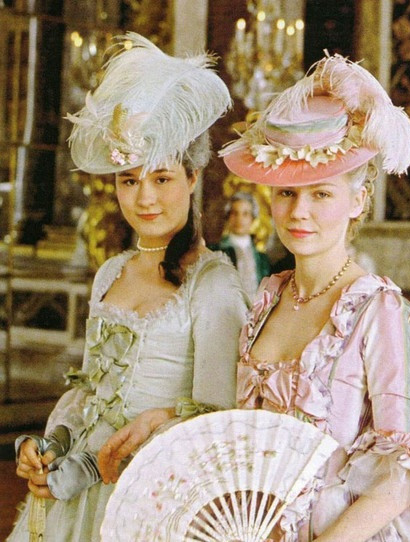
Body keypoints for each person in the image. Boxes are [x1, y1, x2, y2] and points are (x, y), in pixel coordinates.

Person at [219, 54, 410, 541]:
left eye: (321, 194)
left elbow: (399, 480)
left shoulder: (377, 309)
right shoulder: (269, 295)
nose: (299, 211)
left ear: (357, 200)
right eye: (287, 193)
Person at [10, 33, 247, 542]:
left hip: (151, 495)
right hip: (73, 493)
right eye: (129, 180)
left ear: (192, 178)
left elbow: (217, 416)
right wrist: (51, 445)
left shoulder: (213, 283)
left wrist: (142, 432)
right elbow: (87, 390)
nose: (144, 199)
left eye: (161, 179)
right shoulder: (110, 272)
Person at [210, 191, 271, 299]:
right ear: (228, 216)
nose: (239, 219)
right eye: (235, 213)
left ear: (253, 218)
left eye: (245, 214)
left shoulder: (262, 259)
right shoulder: (216, 252)